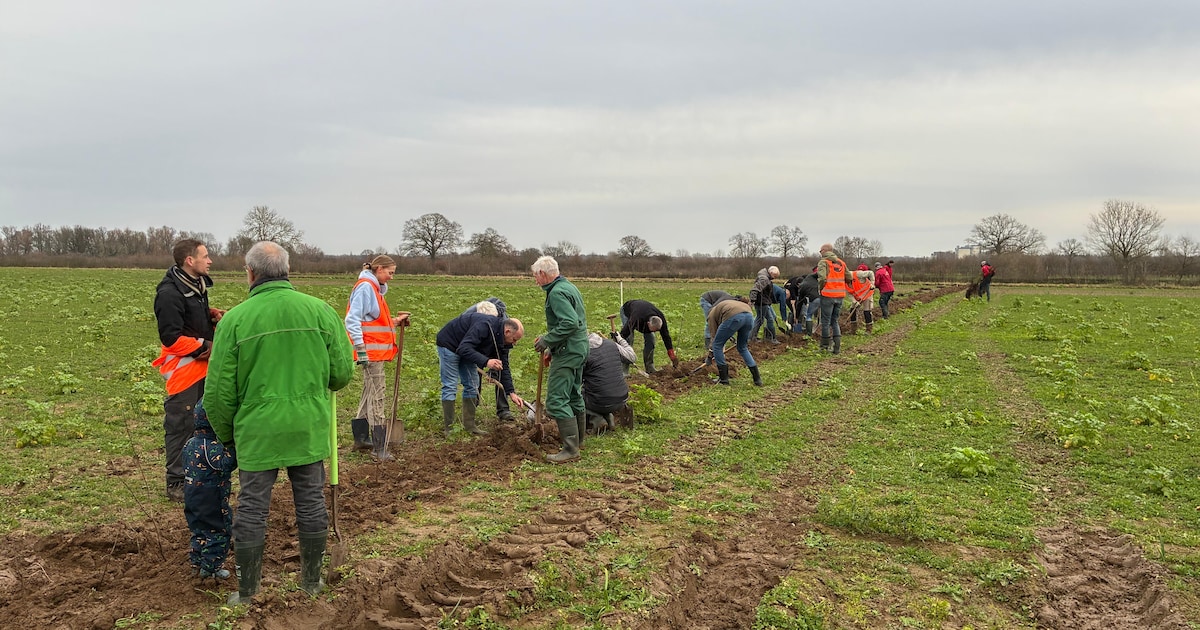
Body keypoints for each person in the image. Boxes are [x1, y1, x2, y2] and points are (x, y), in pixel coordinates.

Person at [206, 241, 354, 605]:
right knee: (311, 502)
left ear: (250, 273)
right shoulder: (321, 312)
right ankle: (311, 583)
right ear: (287, 271)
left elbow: (219, 393)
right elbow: (341, 375)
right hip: (308, 427)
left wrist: (228, 435)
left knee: (252, 507)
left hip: (257, 431)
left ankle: (248, 592)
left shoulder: (234, 320)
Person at [153, 238, 223, 503]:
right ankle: (176, 482)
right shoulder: (169, 293)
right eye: (205, 256)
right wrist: (207, 346)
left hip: (202, 370)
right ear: (190, 260)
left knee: (201, 424)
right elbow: (171, 338)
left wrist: (210, 316)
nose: (210, 260)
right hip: (183, 373)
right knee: (181, 426)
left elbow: (188, 321)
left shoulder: (195, 286)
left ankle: (199, 475)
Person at [344, 255, 410, 461]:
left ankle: (361, 439)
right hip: (370, 352)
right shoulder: (366, 288)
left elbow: (373, 321)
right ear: (379, 268)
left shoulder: (373, 288)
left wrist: (395, 321)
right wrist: (361, 348)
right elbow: (352, 320)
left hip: (373, 352)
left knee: (369, 391)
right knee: (378, 396)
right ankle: (379, 448)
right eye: (390, 273)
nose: (391, 277)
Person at [531, 256, 589, 463]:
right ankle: (579, 441)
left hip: (568, 352)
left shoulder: (556, 293)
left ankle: (571, 450)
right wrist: (552, 347)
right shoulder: (568, 286)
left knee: (556, 400)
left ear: (542, 273)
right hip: (579, 348)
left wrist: (547, 340)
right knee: (573, 394)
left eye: (535, 276)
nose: (535, 280)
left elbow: (570, 322)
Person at [435, 311, 526, 437]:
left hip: (468, 348)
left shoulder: (503, 342)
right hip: (449, 344)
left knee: (473, 385)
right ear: (507, 332)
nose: (514, 343)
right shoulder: (484, 326)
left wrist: (511, 392)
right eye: (514, 339)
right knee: (450, 385)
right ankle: (449, 430)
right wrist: (487, 361)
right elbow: (463, 348)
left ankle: (470, 426)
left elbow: (504, 366)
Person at [183, 398, 236, 582]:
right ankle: (211, 568)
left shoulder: (190, 443)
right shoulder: (210, 446)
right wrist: (233, 448)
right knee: (218, 530)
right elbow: (226, 464)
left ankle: (196, 563)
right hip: (211, 498)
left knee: (199, 530)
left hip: (191, 496)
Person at [461, 298, 517, 422]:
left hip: (495, 342)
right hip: (474, 344)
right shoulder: (469, 316)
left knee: (500, 368)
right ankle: (471, 408)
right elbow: (464, 345)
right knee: (474, 375)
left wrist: (510, 390)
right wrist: (483, 361)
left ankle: (504, 410)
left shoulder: (503, 326)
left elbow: (503, 360)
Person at [582, 331, 635, 433]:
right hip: (622, 398)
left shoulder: (584, 353)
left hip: (601, 402)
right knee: (601, 393)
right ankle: (609, 418)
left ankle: (598, 420)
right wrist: (620, 339)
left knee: (576, 398)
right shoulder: (612, 345)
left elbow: (576, 381)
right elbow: (632, 357)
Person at [706, 294, 762, 386]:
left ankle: (724, 379)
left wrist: (709, 356)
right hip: (749, 316)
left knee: (717, 345)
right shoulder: (726, 306)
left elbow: (714, 339)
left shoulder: (711, 316)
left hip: (734, 317)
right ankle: (757, 379)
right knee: (742, 347)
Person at [619, 299, 679, 373]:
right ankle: (624, 371)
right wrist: (619, 340)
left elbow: (666, 337)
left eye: (656, 330)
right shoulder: (636, 318)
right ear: (648, 324)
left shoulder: (661, 319)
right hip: (627, 312)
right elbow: (624, 333)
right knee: (628, 339)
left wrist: (671, 354)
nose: (654, 332)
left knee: (651, 339)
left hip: (643, 311)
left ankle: (649, 367)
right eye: (653, 330)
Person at [816, 243, 850, 354]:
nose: (820, 252)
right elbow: (849, 277)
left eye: (821, 250)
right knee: (834, 321)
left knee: (825, 322)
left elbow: (822, 278)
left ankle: (824, 347)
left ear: (825, 250)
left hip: (827, 295)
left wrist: (821, 288)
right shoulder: (841, 263)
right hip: (840, 296)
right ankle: (837, 348)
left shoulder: (823, 262)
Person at [750, 265, 781, 345]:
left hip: (763, 301)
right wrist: (753, 300)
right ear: (771, 273)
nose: (774, 278)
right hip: (761, 302)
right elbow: (755, 289)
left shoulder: (765, 277)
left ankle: (752, 337)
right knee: (768, 319)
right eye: (775, 276)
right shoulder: (764, 279)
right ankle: (771, 338)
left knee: (759, 319)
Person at [848, 264, 876, 335]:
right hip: (857, 297)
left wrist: (872, 283)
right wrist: (855, 302)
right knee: (852, 310)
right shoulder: (844, 283)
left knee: (866, 311)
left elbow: (871, 273)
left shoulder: (858, 274)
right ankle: (853, 330)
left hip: (867, 294)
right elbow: (849, 294)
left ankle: (868, 330)